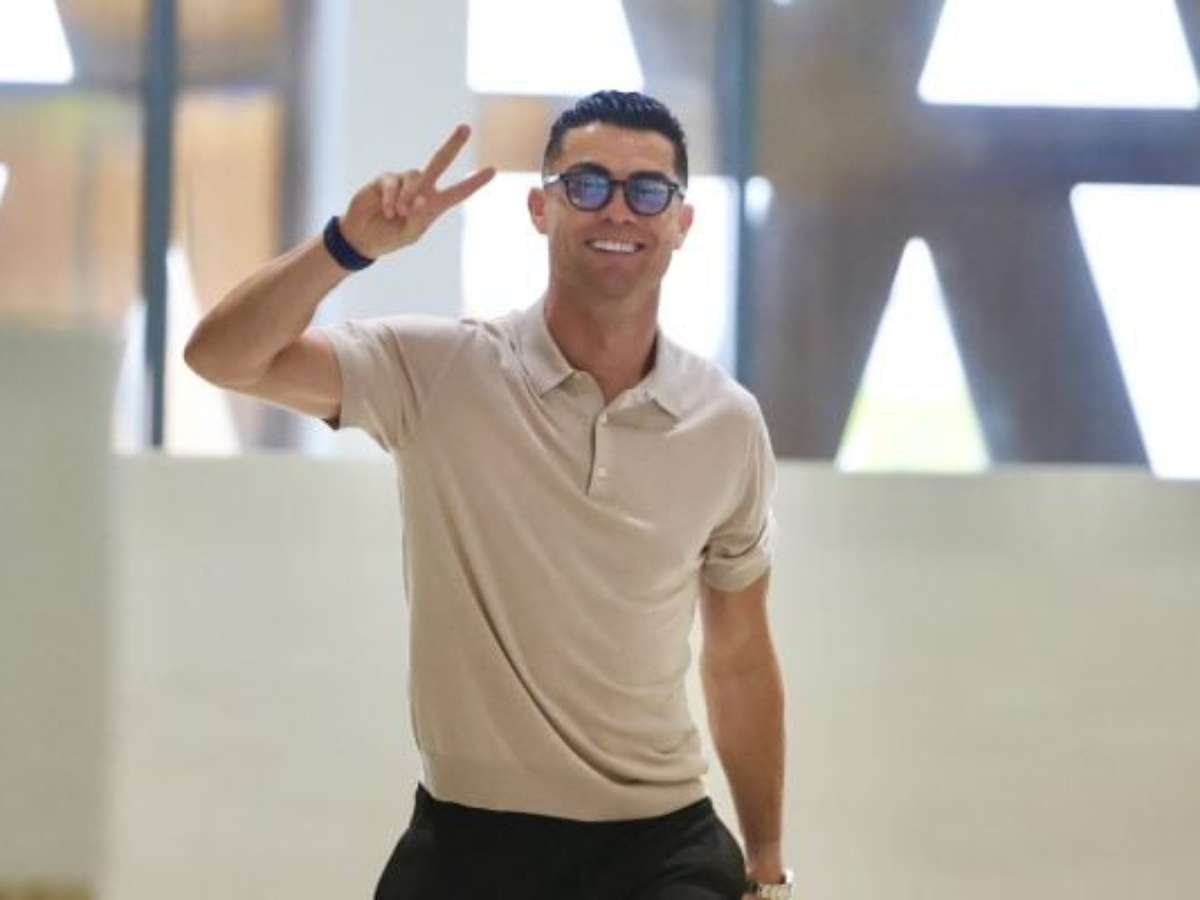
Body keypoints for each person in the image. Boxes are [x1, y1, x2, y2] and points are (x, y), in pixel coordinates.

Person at [184, 90, 790, 900]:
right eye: (588, 184)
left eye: (648, 191)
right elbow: (221, 357)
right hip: (468, 842)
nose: (619, 209)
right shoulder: (438, 370)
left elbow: (740, 656)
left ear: (681, 222)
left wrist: (767, 865)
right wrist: (345, 247)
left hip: (662, 847)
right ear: (541, 208)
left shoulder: (727, 423)